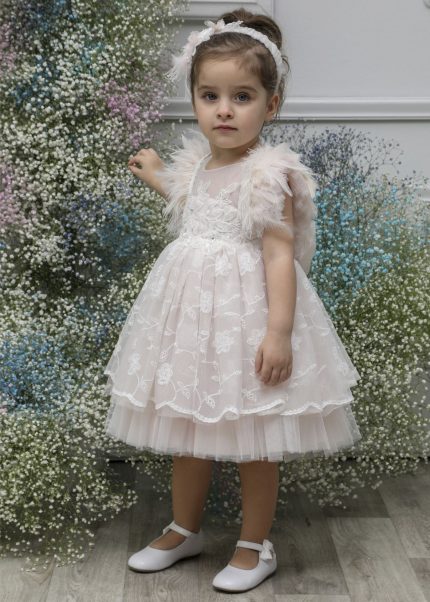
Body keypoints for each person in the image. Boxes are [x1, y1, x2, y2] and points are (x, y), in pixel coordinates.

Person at [103, 8, 362, 593]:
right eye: (210, 96)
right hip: (191, 319)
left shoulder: (269, 174)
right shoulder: (199, 167)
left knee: (255, 435)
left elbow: (279, 254)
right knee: (189, 425)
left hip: (246, 318)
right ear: (194, 100)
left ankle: (254, 543)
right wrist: (157, 174)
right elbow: (200, 207)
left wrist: (278, 333)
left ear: (270, 106)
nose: (224, 109)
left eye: (241, 97)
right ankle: (184, 528)